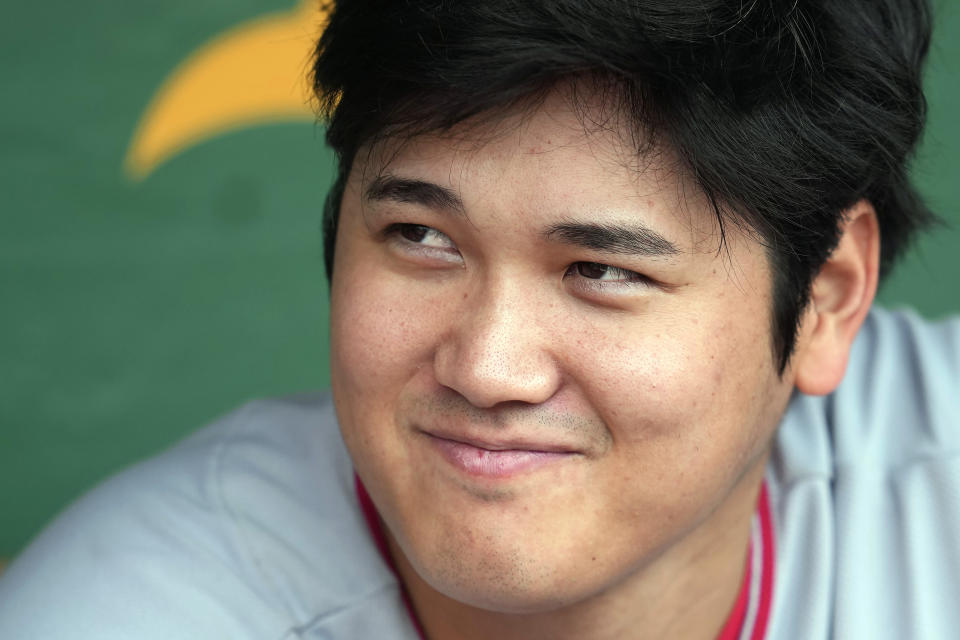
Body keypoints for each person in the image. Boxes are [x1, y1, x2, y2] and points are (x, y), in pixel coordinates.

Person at [1, 0, 957, 638]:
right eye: (421, 238)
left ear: (827, 299)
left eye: (600, 270)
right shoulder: (122, 613)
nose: (487, 367)